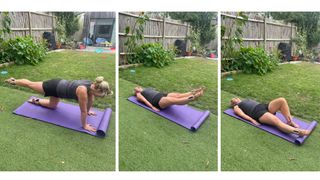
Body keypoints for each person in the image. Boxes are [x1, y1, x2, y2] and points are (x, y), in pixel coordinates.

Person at [5, 76, 113, 132]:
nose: (99, 97)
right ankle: (13, 81)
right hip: (54, 86)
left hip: (59, 90)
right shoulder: (83, 91)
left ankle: (35, 101)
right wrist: (84, 125)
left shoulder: (92, 86)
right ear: (96, 90)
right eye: (100, 95)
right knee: (30, 84)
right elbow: (83, 111)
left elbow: (91, 101)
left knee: (53, 106)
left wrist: (89, 111)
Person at [230, 97, 310, 137]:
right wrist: (252, 120)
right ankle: (299, 132)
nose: (234, 99)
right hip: (257, 113)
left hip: (263, 106)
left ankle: (290, 122)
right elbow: (242, 114)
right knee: (276, 121)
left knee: (282, 100)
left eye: (235, 98)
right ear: (233, 104)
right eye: (232, 100)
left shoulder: (246, 99)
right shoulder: (236, 107)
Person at [134, 86, 204, 111]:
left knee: (178, 95)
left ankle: (193, 92)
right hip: (157, 101)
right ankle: (193, 98)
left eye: (137, 87)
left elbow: (155, 91)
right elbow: (145, 100)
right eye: (135, 89)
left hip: (162, 94)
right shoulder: (138, 94)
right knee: (175, 100)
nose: (137, 88)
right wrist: (152, 107)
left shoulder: (147, 88)